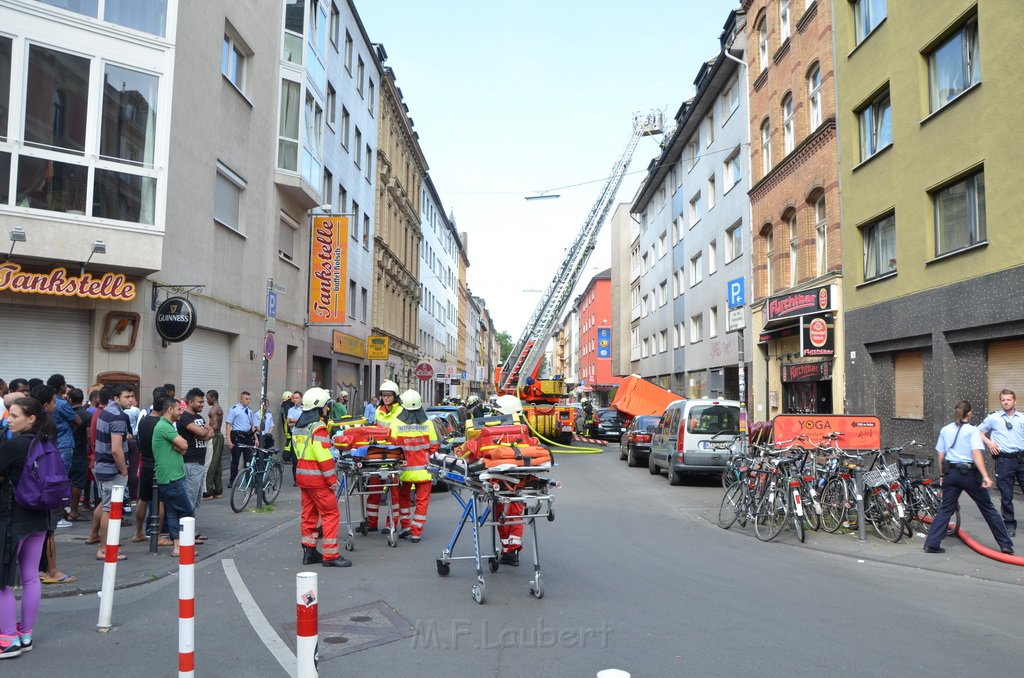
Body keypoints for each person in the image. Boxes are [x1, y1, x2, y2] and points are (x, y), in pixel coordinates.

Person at [0, 397, 58, 658]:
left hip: (13, 518)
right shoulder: (46, 442)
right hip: (40, 517)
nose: (8, 420)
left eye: (14, 415)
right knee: (31, 577)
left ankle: (7, 640)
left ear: (30, 418)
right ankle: (25, 634)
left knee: (2, 582)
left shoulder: (14, 446)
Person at [924, 400, 1014, 555]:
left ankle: (931, 543)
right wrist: (985, 476)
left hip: (951, 473)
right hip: (969, 474)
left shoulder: (946, 430)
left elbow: (941, 455)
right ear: (970, 413)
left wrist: (942, 475)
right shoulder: (972, 431)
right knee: (988, 508)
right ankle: (1005, 544)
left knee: (945, 509)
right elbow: (976, 454)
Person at [292, 387, 350, 567]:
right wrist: (332, 481)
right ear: (319, 407)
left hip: (302, 476)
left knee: (309, 514)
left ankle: (309, 552)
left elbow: (299, 451)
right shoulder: (318, 427)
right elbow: (323, 457)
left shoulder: (299, 427)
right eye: (326, 405)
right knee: (331, 514)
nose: (328, 408)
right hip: (317, 478)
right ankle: (331, 555)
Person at [390, 389, 439, 543]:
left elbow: (391, 447)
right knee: (422, 501)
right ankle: (416, 531)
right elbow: (434, 447)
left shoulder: (396, 423)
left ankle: (405, 527)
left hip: (403, 471)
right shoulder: (428, 423)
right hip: (424, 471)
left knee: (403, 499)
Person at [92, 384, 133, 561]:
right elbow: (116, 449)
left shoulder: (107, 411)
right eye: (127, 397)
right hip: (111, 468)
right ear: (116, 398)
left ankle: (97, 539)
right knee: (110, 509)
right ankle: (104, 548)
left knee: (104, 504)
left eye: (132, 396)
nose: (131, 399)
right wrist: (124, 470)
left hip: (101, 464)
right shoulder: (118, 416)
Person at [151, 397, 195, 557]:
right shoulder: (164, 427)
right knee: (187, 511)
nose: (181, 412)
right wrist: (179, 446)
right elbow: (183, 445)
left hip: (171, 475)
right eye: (179, 409)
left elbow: (182, 448)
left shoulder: (167, 426)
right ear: (170, 409)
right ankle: (184, 545)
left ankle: (177, 547)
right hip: (171, 477)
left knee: (173, 511)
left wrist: (179, 446)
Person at [978, 389, 1024, 538]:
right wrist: (989, 443)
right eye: (1003, 400)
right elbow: (978, 431)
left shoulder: (1022, 418)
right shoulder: (994, 418)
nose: (1006, 402)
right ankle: (1009, 524)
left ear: (1015, 401)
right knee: (1006, 495)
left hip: (1021, 459)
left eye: (1009, 400)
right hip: (1004, 460)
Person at [363, 383, 402, 531]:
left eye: (389, 395)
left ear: (395, 396)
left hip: (394, 455)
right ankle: (372, 523)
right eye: (383, 395)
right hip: (377, 455)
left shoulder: (401, 411)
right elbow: (374, 429)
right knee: (374, 490)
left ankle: (391, 524)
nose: (385, 398)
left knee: (394, 494)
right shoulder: (379, 410)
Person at [177, 388, 212, 542]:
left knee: (195, 499)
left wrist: (204, 433)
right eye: (200, 402)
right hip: (189, 463)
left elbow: (210, 432)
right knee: (189, 499)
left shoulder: (198, 417)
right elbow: (204, 433)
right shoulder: (184, 418)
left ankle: (192, 530)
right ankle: (186, 533)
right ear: (190, 402)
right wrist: (204, 433)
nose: (202, 404)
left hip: (199, 463)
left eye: (203, 401)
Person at [133, 387, 165, 543]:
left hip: (145, 462)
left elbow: (137, 439)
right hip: (158, 464)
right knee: (159, 500)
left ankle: (138, 532)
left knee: (143, 499)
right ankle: (156, 535)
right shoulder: (162, 423)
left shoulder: (144, 420)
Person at [225, 391, 257, 488]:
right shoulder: (234, 409)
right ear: (241, 399)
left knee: (249, 460)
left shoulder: (250, 410)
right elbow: (228, 425)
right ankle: (233, 481)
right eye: (246, 399)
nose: (248, 401)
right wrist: (229, 440)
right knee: (236, 460)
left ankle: (249, 480)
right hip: (237, 436)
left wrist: (255, 438)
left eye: (249, 399)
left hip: (248, 436)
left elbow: (252, 425)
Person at [204, 390, 225, 499]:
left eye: (208, 398)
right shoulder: (218, 408)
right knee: (217, 464)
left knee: (210, 463)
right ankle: (218, 490)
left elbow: (215, 425)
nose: (207, 400)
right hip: (219, 437)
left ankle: (208, 491)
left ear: (213, 397)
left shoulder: (214, 409)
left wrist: (207, 431)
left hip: (215, 437)